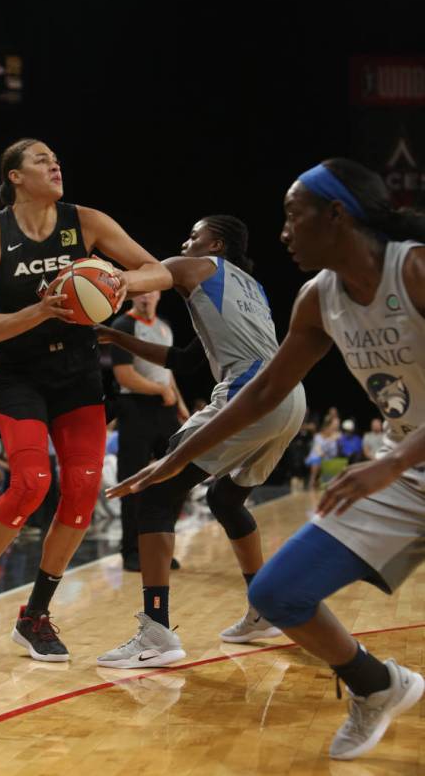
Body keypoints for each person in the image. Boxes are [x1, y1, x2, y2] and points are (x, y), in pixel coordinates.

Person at [110, 159, 425, 761]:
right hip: (406, 471)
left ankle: (156, 629)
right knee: (281, 596)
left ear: (336, 215)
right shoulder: (316, 299)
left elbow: (150, 279)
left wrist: (390, 460)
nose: (283, 232)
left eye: (292, 215)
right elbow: (261, 392)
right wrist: (179, 459)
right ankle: (377, 685)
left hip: (401, 462)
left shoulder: (412, 268)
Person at [0, 137, 172, 660]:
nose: (54, 164)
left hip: (76, 372)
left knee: (84, 489)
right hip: (17, 374)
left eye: (57, 159)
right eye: (41, 159)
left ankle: (36, 616)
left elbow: (158, 271)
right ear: (15, 176)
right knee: (30, 483)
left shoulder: (85, 221)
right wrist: (42, 311)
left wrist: (114, 279)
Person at [97, 213, 306, 669]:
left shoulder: (200, 267)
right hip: (290, 398)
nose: (185, 241)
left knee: (155, 491)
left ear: (216, 243)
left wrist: (94, 278)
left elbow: (147, 275)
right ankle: (263, 608)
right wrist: (115, 335)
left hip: (249, 394)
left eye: (194, 235)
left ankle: (156, 633)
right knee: (227, 500)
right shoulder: (249, 288)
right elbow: (186, 362)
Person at [109, 291, 189, 571]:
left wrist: (180, 403)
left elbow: (167, 372)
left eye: (150, 292)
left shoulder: (165, 327)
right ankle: (131, 551)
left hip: (165, 408)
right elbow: (124, 376)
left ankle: (159, 546)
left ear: (158, 294)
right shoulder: (122, 326)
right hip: (134, 407)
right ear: (132, 296)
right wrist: (161, 390)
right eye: (140, 293)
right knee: (131, 482)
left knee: (178, 475)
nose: (146, 297)